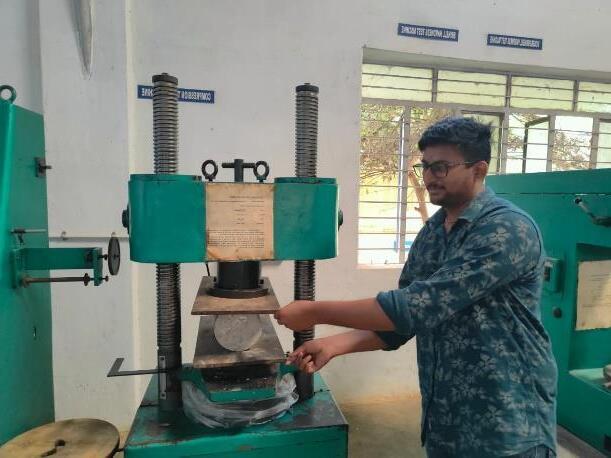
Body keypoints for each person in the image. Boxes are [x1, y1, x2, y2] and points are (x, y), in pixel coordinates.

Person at [274, 117, 557, 457]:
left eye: (441, 167)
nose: (429, 177)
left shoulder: (507, 229)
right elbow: (403, 323)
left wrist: (314, 311)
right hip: (445, 419)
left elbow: (414, 306)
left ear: (479, 169)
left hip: (508, 422)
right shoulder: (434, 232)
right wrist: (334, 344)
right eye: (425, 166)